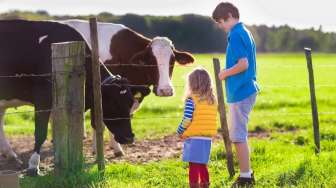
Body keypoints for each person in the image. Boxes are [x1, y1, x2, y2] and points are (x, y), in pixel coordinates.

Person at [212, 2, 259, 187]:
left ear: (230, 15)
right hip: (245, 89)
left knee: (238, 136)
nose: (220, 26)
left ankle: (246, 177)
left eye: (221, 21)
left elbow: (243, 64)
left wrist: (224, 73)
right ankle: (247, 173)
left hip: (240, 91)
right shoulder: (244, 31)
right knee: (239, 134)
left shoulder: (236, 34)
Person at [177, 67, 218, 188]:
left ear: (192, 84)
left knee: (193, 165)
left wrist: (179, 130)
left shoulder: (191, 100)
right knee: (202, 164)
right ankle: (205, 185)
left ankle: (194, 185)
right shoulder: (212, 100)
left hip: (194, 138)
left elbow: (187, 119)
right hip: (207, 138)